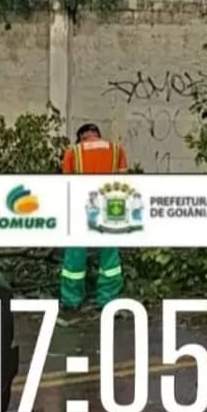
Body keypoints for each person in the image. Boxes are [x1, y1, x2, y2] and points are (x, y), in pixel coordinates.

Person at [60, 123, 129, 311]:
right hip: (111, 206)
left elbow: (66, 185)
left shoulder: (73, 152)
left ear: (81, 137)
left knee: (75, 256)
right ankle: (108, 299)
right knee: (109, 256)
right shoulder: (117, 150)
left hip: (81, 207)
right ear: (97, 135)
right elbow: (125, 182)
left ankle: (71, 300)